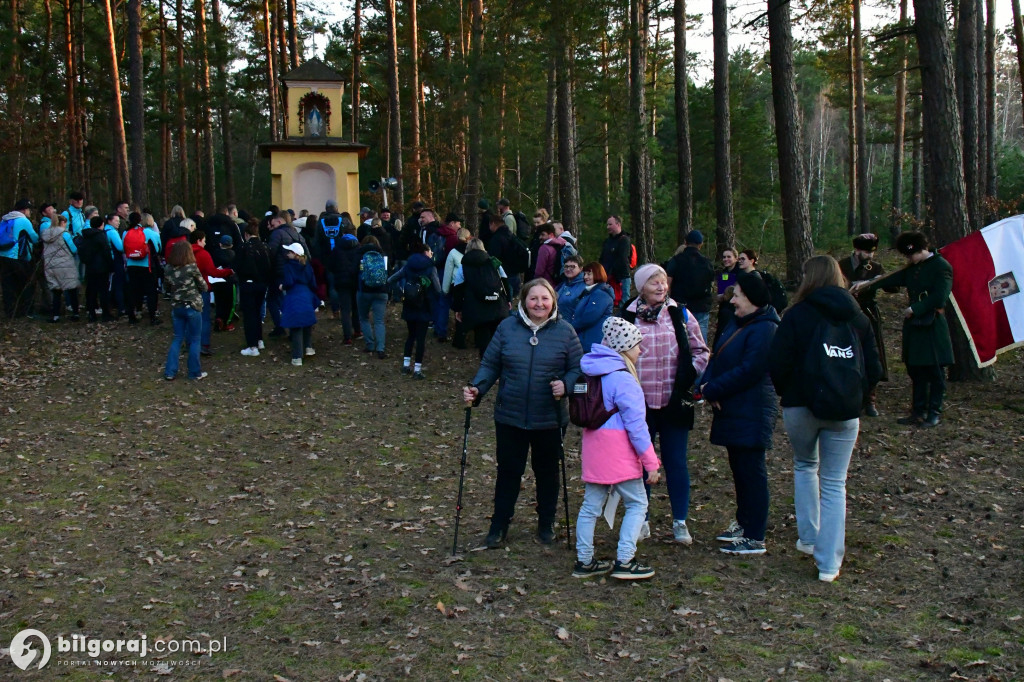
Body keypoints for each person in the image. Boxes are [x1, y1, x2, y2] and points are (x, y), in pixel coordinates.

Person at [770, 255, 883, 582]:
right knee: (834, 483)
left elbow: (778, 362)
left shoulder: (796, 315)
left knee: (805, 466)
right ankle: (829, 564)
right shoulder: (858, 317)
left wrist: (790, 393)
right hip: (845, 409)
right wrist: (857, 396)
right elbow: (874, 368)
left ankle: (808, 538)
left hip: (800, 406)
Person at [463, 279, 583, 548]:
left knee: (547, 472)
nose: (539, 304)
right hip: (511, 415)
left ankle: (546, 523)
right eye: (533, 298)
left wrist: (566, 385)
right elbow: (490, 363)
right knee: (508, 472)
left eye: (545, 298)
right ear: (523, 301)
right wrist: (477, 388)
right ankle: (499, 525)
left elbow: (578, 369)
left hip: (549, 417)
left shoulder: (565, 331)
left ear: (553, 301)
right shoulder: (507, 327)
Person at [621, 263, 710, 543]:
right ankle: (642, 518)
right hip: (639, 404)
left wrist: (690, 373)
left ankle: (680, 521)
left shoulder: (680, 313)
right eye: (653, 282)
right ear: (641, 288)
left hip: (675, 401)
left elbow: (700, 350)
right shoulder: (627, 315)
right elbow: (614, 353)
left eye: (663, 282)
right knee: (641, 463)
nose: (661, 287)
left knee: (676, 462)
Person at [573, 317, 662, 581]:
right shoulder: (623, 379)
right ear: (624, 348)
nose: (640, 351)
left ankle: (584, 560)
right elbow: (637, 428)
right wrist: (651, 463)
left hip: (594, 451)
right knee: (637, 503)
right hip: (620, 454)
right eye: (636, 345)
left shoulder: (591, 371)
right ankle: (625, 559)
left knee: (590, 507)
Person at [700, 272, 780, 555]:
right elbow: (718, 356)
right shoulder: (739, 322)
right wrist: (706, 385)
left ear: (752, 298)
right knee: (739, 469)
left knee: (751, 472)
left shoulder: (765, 329)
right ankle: (744, 522)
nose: (732, 300)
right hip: (735, 408)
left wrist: (713, 389)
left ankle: (755, 535)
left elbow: (750, 370)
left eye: (737, 295)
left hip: (752, 409)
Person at [851, 231, 954, 427]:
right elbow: (891, 279)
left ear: (920, 249)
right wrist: (868, 284)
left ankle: (934, 412)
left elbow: (940, 296)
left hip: (932, 324)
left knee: (935, 371)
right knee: (915, 369)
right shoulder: (913, 267)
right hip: (914, 325)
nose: (909, 258)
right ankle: (917, 411)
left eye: (911, 254)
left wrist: (916, 308)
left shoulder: (941, 266)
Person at [839, 233, 889, 416]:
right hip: (846, 314)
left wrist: (874, 282)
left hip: (868, 314)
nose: (870, 256)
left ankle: (870, 399)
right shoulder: (842, 265)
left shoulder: (876, 267)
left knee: (871, 355)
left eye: (872, 252)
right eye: (867, 252)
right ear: (857, 250)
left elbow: (892, 286)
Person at [387, 241, 442, 378]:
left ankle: (406, 365)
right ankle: (417, 369)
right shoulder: (431, 268)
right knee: (421, 339)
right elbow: (437, 288)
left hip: (409, 304)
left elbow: (391, 279)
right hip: (424, 305)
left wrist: (401, 291)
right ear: (425, 252)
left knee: (410, 335)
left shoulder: (408, 266)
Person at [452, 238, 510, 357]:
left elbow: (458, 289)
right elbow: (504, 281)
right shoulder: (493, 262)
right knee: (496, 338)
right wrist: (508, 299)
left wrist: (458, 309)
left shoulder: (464, 266)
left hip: (476, 308)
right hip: (496, 304)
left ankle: (485, 364)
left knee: (482, 340)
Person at [162, 240, 208, 381]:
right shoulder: (191, 268)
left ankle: (170, 371)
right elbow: (204, 286)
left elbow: (166, 288)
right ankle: (194, 372)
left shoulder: (168, 269)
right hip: (193, 305)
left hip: (177, 306)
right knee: (195, 339)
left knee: (177, 338)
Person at [664, 230, 715, 343]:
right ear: (701, 244)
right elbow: (711, 284)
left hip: (680, 305)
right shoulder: (707, 262)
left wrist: (668, 302)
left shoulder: (676, 260)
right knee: (700, 339)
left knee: (681, 339)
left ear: (685, 242)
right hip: (701, 306)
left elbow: (668, 283)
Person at [189, 230, 234, 355]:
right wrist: (228, 271)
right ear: (199, 240)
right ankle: (204, 344)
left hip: (188, 290)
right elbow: (213, 271)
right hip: (202, 288)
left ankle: (190, 343)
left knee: (190, 317)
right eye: (204, 241)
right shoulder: (203, 254)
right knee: (204, 318)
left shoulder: (185, 253)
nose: (205, 243)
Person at [266, 210, 311, 337]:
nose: (272, 227)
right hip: (297, 273)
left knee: (273, 299)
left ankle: (282, 327)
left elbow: (270, 253)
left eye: (274, 224)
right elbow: (307, 255)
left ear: (279, 221)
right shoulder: (297, 234)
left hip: (280, 273)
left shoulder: (277, 234)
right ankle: (294, 331)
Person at [235, 222, 273, 357]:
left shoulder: (244, 247)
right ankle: (259, 339)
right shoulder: (265, 247)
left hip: (248, 284)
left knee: (249, 315)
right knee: (257, 312)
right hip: (262, 284)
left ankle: (252, 346)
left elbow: (237, 266)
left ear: (246, 234)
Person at [279, 242, 319, 366]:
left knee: (296, 326)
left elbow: (289, 282)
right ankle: (308, 347)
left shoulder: (288, 266)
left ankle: (297, 357)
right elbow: (313, 283)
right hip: (306, 295)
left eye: (289, 252)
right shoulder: (307, 266)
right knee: (306, 322)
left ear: (295, 254)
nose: (287, 254)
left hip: (294, 296)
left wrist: (282, 286)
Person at [0, 199, 39, 318]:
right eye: (29, 210)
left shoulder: (5, 219)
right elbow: (34, 238)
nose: (30, 212)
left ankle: (10, 311)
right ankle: (25, 311)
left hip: (3, 255)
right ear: (24, 210)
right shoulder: (23, 220)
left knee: (8, 285)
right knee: (27, 283)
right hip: (16, 257)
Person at [124, 213, 162, 325]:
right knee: (151, 291)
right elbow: (158, 248)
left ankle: (132, 316)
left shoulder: (126, 232)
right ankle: (152, 317)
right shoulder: (149, 232)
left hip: (131, 265)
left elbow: (123, 248)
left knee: (133, 291)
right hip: (147, 266)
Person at [41, 213, 80, 322]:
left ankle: (55, 316)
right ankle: (75, 314)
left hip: (50, 265)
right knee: (72, 290)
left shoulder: (45, 234)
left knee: (56, 292)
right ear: (62, 222)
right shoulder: (64, 234)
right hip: (65, 265)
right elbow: (73, 249)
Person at [327, 223, 362, 344]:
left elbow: (330, 266)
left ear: (343, 234)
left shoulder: (337, 249)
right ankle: (358, 331)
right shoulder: (359, 248)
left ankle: (347, 337)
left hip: (342, 282)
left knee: (345, 310)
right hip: (355, 281)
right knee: (356, 307)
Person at [356, 235, 389, 359]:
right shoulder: (383, 255)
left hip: (364, 290)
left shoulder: (359, 255)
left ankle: (370, 344)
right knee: (379, 321)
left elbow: (355, 272)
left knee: (364, 318)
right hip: (381, 291)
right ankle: (380, 348)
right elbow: (388, 273)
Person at [571, 262, 615, 353]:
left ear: (598, 274)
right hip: (585, 341)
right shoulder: (589, 293)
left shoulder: (600, 294)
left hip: (591, 343)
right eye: (585, 274)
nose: (585, 277)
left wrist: (570, 327)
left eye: (589, 274)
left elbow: (588, 318)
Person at [79, 216, 113, 322]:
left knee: (91, 291)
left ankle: (91, 313)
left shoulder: (86, 236)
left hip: (90, 267)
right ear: (101, 224)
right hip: (102, 267)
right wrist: (111, 264)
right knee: (103, 291)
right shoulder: (101, 236)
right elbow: (106, 251)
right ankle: (105, 314)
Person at [442, 227, 472, 348]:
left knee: (459, 311)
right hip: (472, 285)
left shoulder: (453, 252)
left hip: (457, 285)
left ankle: (459, 338)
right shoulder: (473, 251)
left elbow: (448, 272)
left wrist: (445, 289)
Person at [600, 215, 633, 307]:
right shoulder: (607, 241)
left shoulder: (624, 240)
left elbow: (622, 259)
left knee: (624, 303)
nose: (608, 227)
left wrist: (612, 273)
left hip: (622, 276)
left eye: (610, 224)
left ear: (618, 224)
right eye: (607, 225)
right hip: (608, 277)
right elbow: (603, 258)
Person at [713, 248, 741, 347]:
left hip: (735, 311)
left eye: (729, 257)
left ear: (736, 258)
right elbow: (721, 292)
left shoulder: (740, 273)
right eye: (724, 257)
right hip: (724, 309)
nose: (726, 259)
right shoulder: (724, 273)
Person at [211, 234, 237, 331]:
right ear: (231, 245)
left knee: (219, 302)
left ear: (220, 244)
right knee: (230, 303)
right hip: (230, 282)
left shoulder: (215, 254)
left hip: (217, 281)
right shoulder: (233, 254)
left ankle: (219, 318)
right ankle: (227, 323)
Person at [556, 255, 586, 323]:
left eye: (572, 266)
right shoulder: (562, 285)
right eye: (566, 266)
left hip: (573, 326)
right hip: (558, 324)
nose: (568, 269)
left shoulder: (585, 286)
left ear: (581, 268)